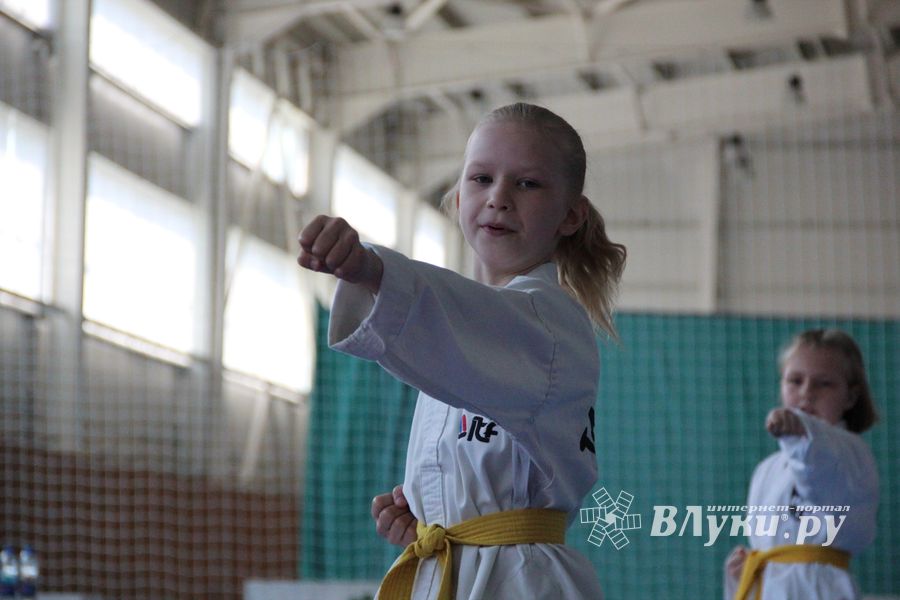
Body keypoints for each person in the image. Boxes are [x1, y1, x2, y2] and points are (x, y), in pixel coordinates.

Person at [297, 102, 626, 599]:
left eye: (527, 184)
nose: (499, 198)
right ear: (457, 199)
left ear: (571, 215)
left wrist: (368, 269)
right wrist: (433, 510)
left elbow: (465, 318)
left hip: (520, 582)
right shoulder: (467, 332)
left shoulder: (547, 322)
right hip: (458, 566)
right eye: (481, 178)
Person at [724, 329, 879, 600]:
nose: (807, 393)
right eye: (795, 380)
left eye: (824, 384)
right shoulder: (767, 469)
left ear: (851, 396)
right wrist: (746, 577)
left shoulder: (850, 454)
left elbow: (817, 469)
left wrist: (803, 431)